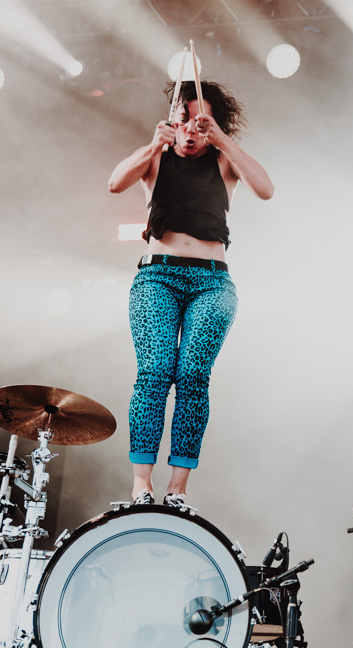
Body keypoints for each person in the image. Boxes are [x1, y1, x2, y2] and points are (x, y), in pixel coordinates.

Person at [108, 79, 274, 507]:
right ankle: (142, 482)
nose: (191, 131)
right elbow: (114, 183)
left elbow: (265, 188)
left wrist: (222, 139)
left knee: (194, 377)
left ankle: (178, 488)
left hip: (212, 282)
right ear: (172, 120)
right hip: (157, 277)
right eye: (184, 120)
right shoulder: (156, 159)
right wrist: (151, 145)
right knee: (156, 371)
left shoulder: (222, 162)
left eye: (202, 124)